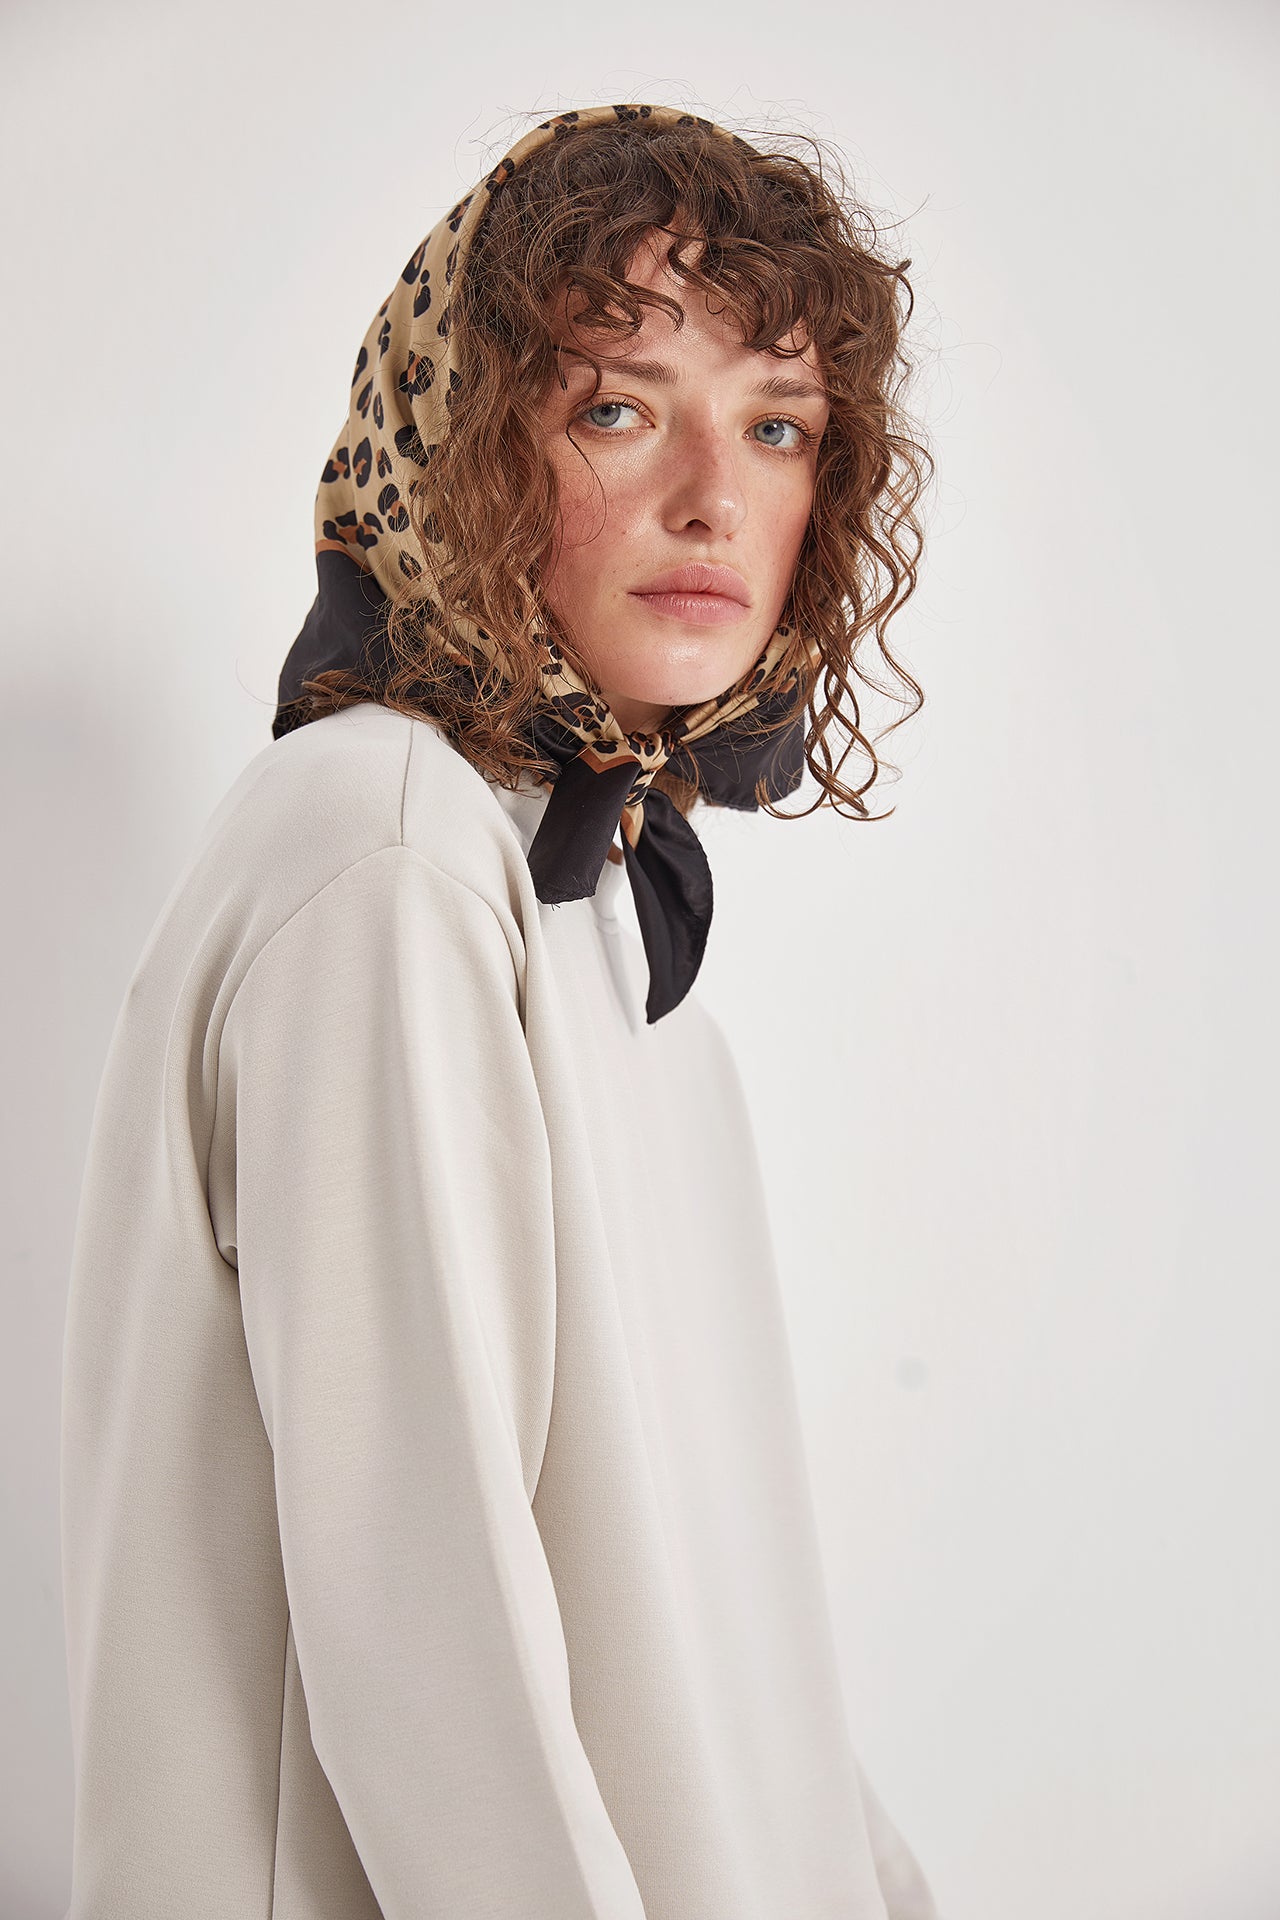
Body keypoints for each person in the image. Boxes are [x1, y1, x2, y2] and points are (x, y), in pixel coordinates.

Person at [59, 101, 938, 1919]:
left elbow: (715, 1611)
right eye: (618, 407)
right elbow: (423, 1620)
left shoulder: (601, 896)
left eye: (776, 427)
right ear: (461, 442)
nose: (714, 497)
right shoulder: (386, 849)